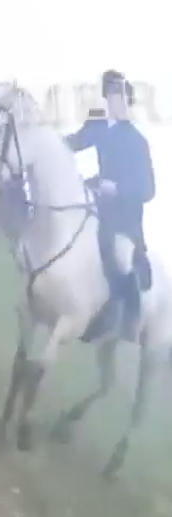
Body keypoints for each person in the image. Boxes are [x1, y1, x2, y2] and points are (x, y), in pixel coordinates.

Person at [66, 69, 157, 342]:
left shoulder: (137, 141)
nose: (113, 103)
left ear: (126, 102)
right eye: (110, 97)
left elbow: (148, 190)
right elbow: (72, 142)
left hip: (125, 219)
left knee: (117, 255)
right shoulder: (98, 128)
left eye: (119, 98)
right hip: (99, 210)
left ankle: (126, 314)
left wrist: (117, 189)